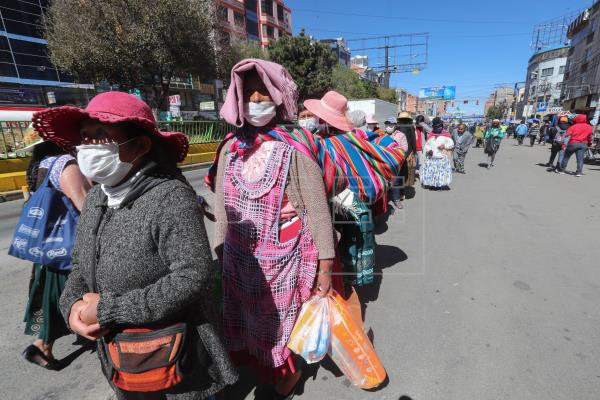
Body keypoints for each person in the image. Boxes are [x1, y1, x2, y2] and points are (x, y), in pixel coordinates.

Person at [32, 91, 238, 400]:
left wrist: (109, 309)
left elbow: (193, 276)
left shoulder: (170, 197)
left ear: (141, 145)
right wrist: (73, 306)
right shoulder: (98, 197)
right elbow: (80, 264)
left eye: (100, 137)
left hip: (178, 356)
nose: (87, 148)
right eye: (84, 138)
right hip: (121, 358)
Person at [212, 59, 336, 398]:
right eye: (248, 94)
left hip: (284, 259)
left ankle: (285, 373)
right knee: (247, 322)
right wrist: (219, 251)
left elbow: (318, 210)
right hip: (240, 259)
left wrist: (326, 266)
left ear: (279, 96)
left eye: (262, 92)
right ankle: (259, 366)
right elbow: (221, 202)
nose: (255, 101)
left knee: (282, 323)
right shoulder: (230, 147)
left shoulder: (294, 144)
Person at [20, 139, 90, 370]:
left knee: (52, 296)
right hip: (67, 249)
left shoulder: (39, 165)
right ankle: (42, 345)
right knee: (67, 297)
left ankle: (43, 345)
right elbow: (86, 206)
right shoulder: (65, 164)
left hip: (49, 246)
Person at [422, 117, 454, 189]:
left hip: (441, 158)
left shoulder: (446, 134)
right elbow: (427, 145)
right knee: (432, 172)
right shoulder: (430, 134)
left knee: (440, 173)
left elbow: (451, 144)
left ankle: (439, 185)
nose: (438, 128)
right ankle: (432, 184)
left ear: (441, 126)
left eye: (439, 126)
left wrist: (444, 146)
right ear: (433, 127)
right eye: (436, 127)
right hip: (432, 158)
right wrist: (428, 150)